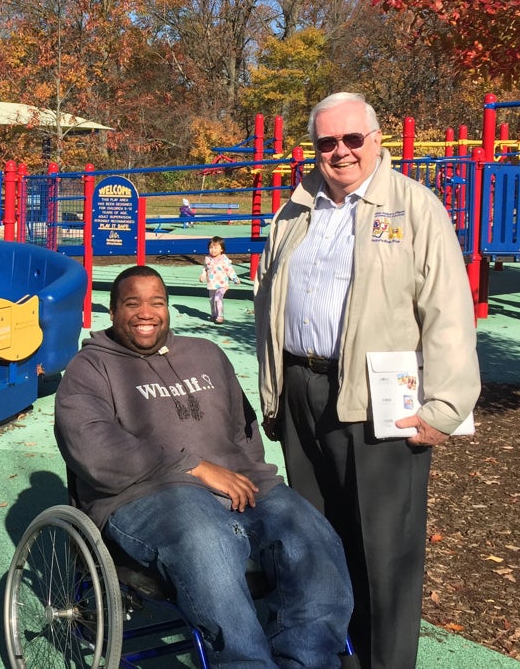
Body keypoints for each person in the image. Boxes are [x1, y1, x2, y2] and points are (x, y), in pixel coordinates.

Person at [253, 92, 480, 669]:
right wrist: (275, 391)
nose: (341, 151)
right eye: (327, 142)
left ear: (376, 140)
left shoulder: (414, 207)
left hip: (381, 399)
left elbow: (448, 310)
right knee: (316, 544)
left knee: (385, 550)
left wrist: (444, 406)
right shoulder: (295, 210)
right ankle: (331, 657)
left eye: (352, 139)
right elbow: (269, 304)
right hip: (303, 388)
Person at [55, 265, 353, 668]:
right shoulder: (90, 369)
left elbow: (242, 429)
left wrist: (256, 477)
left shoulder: (206, 354)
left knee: (314, 538)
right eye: (133, 303)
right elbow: (92, 445)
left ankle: (309, 660)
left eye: (156, 302)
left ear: (168, 308)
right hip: (145, 494)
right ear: (113, 311)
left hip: (240, 485)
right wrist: (192, 465)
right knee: (209, 543)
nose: (146, 312)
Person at [200, 235, 241, 323]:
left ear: (221, 249)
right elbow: (205, 268)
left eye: (215, 248)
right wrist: (203, 275)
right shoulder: (208, 258)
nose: (213, 250)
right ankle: (213, 314)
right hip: (212, 284)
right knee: (211, 300)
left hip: (222, 284)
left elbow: (229, 269)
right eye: (211, 247)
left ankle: (220, 316)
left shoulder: (224, 259)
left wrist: (234, 278)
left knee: (218, 298)